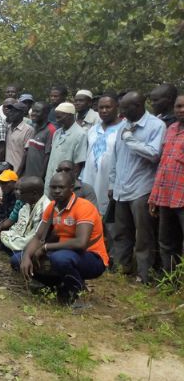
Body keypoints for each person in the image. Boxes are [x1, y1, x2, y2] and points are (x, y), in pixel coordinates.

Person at [12, 172, 108, 305]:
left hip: (92, 257)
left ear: (71, 188)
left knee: (61, 259)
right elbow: (39, 236)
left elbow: (81, 243)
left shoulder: (84, 207)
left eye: (61, 187)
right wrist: (27, 256)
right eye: (53, 187)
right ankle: (57, 286)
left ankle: (76, 293)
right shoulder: (52, 207)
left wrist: (46, 247)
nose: (57, 191)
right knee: (17, 259)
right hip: (63, 252)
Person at [109, 91, 165, 283]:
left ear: (139, 106)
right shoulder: (123, 127)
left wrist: (131, 140)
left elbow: (154, 153)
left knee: (143, 235)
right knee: (121, 231)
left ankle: (144, 273)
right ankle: (122, 267)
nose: (122, 111)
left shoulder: (156, 125)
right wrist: (112, 183)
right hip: (121, 188)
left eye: (125, 107)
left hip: (142, 188)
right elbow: (116, 157)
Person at [149, 94, 184, 272]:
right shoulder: (171, 129)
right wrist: (154, 197)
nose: (181, 110)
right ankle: (170, 280)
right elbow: (162, 166)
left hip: (182, 199)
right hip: (166, 197)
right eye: (178, 106)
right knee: (166, 241)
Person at [80, 94, 124, 215]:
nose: (104, 111)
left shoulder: (124, 128)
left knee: (108, 217)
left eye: (108, 107)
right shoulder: (93, 129)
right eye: (101, 107)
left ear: (117, 107)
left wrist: (114, 184)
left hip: (110, 183)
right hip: (89, 180)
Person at [0, 177, 49, 253]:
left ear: (34, 194)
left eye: (21, 192)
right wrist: (1, 235)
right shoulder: (27, 204)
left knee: (15, 259)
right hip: (22, 240)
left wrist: (1, 237)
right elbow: (18, 229)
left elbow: (30, 239)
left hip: (35, 245)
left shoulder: (44, 209)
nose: (17, 193)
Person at [44, 102, 87, 194]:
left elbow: (78, 164)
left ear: (69, 116)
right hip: (51, 178)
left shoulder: (80, 134)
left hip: (65, 183)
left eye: (59, 117)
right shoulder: (57, 133)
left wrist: (72, 183)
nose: (57, 120)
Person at [21, 102, 56, 179]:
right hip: (28, 175)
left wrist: (40, 178)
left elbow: (48, 156)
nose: (33, 114)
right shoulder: (34, 127)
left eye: (37, 111)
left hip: (39, 178)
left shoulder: (51, 130)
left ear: (46, 113)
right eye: (33, 111)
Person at [3, 102, 34, 176]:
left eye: (14, 111)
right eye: (10, 111)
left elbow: (26, 153)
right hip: (7, 172)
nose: (11, 113)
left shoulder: (28, 130)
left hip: (18, 172)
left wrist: (19, 173)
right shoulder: (8, 128)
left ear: (22, 113)